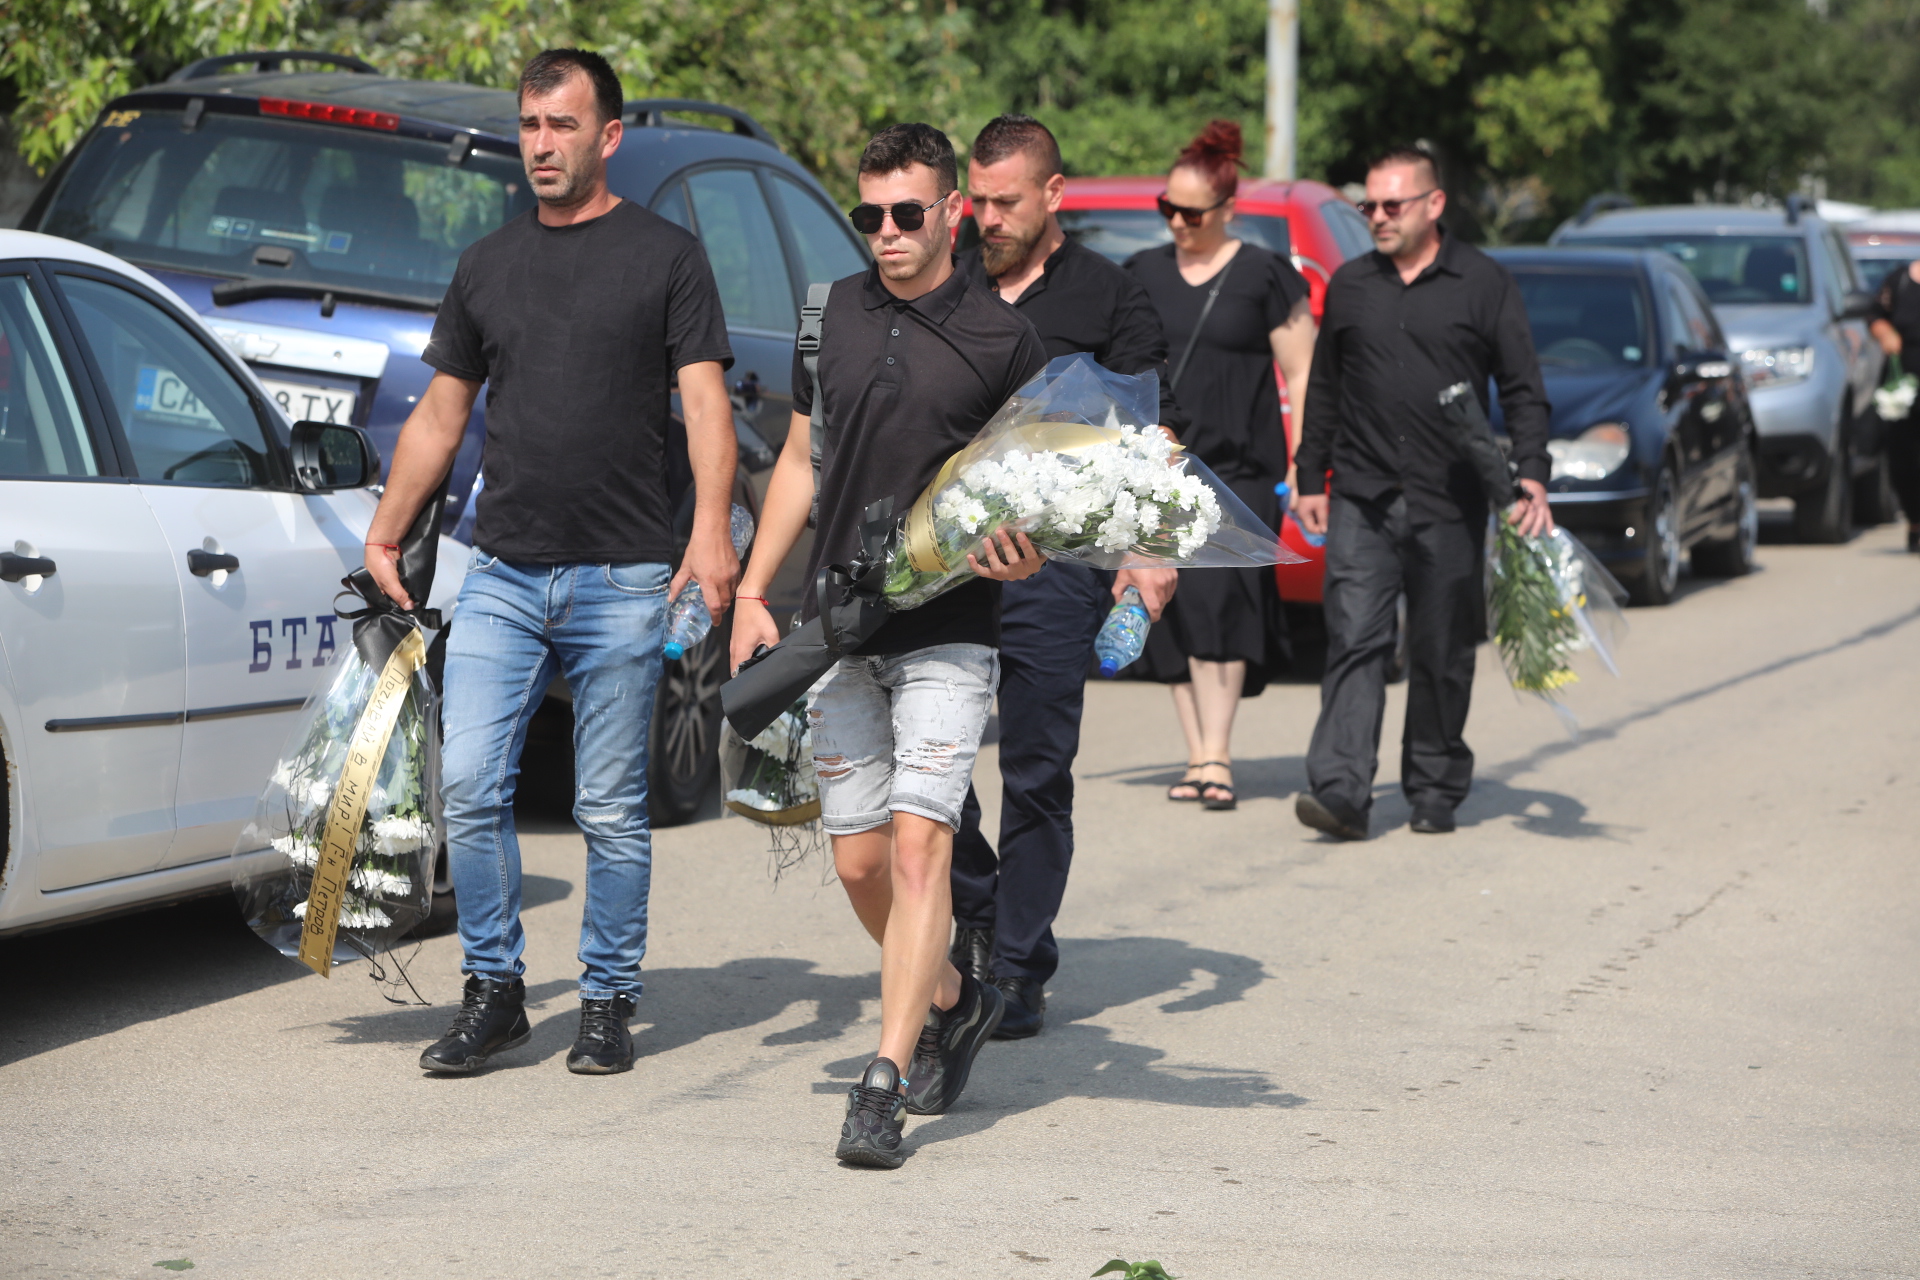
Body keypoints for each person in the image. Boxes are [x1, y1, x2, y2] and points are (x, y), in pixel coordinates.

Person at [362, 49, 740, 1076]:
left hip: (623, 574)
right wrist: (387, 532)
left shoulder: (665, 257)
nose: (541, 144)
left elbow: (706, 406)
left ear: (607, 137)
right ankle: (496, 987)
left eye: (562, 125)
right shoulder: (489, 263)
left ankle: (609, 995)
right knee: (473, 783)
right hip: (504, 570)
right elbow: (442, 416)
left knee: (609, 806)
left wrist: (710, 535)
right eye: (531, 124)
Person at [728, 123, 1049, 1169]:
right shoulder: (834, 315)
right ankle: (955, 993)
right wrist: (753, 590)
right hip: (841, 623)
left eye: (908, 213)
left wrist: (1022, 553)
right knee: (860, 858)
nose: (887, 234)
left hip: (950, 631)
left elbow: (1038, 496)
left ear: (955, 209)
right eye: (870, 215)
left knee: (921, 851)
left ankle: (884, 1078)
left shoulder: (1005, 340)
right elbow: (801, 463)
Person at [947, 113, 1183, 1038]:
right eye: (979, 200)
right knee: (934, 768)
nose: (988, 219)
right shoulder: (947, 282)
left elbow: (1150, 441)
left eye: (1007, 203)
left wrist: (1149, 556)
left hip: (1059, 568)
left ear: (1054, 195)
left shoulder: (1112, 299)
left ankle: (1014, 965)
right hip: (947, 564)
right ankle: (973, 910)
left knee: (1038, 770)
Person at [1292, 145, 1552, 841]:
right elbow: (1325, 387)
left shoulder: (1483, 282)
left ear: (1433, 205)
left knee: (1441, 648)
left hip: (1450, 500)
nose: (1376, 217)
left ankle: (1434, 782)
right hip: (1362, 495)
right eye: (1367, 206)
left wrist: (1532, 474)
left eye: (1391, 205)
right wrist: (1309, 473)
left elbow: (1524, 388)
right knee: (1355, 637)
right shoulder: (1350, 285)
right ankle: (1342, 789)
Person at [1124, 120, 1316, 812]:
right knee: (1169, 611)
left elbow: (1302, 375)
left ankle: (1218, 753)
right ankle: (1197, 752)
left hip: (1237, 469)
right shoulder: (1141, 273)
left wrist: (1303, 470)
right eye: (1166, 208)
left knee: (1223, 607)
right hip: (1162, 468)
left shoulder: (1266, 276)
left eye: (1192, 212)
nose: (1177, 222)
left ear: (1228, 210)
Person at [1866, 257, 1920, 553]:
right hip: (1903, 386)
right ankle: (1915, 521)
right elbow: (1875, 315)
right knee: (1904, 458)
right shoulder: (1898, 280)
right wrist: (1885, 333)